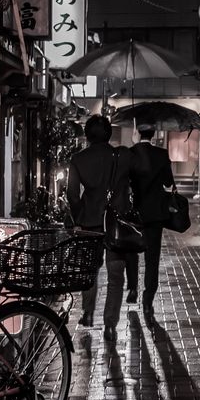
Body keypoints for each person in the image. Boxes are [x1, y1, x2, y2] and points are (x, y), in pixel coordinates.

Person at [67, 114, 132, 342]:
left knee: (90, 270)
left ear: (87, 135)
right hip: (116, 224)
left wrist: (78, 218)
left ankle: (87, 313)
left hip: (90, 222)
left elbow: (72, 195)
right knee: (116, 274)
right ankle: (111, 322)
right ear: (110, 133)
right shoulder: (122, 156)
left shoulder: (78, 159)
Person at [129, 124, 174, 321]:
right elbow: (168, 182)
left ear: (137, 133)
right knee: (152, 258)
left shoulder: (131, 153)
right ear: (154, 134)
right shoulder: (162, 154)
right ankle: (148, 298)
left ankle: (132, 287)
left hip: (134, 213)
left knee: (131, 252)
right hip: (155, 213)